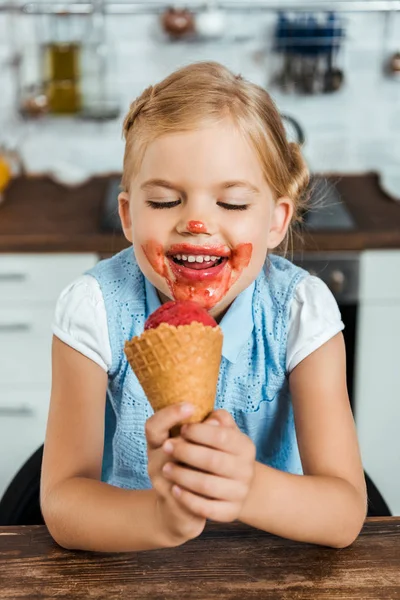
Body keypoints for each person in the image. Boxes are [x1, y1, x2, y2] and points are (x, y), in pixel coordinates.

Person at [40, 61, 367, 553]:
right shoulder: (95, 309)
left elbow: (343, 514)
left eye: (232, 204)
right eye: (166, 201)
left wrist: (248, 488)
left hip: (271, 561)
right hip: (130, 558)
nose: (196, 222)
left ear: (275, 222)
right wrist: (162, 518)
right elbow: (65, 504)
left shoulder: (300, 312)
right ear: (128, 216)